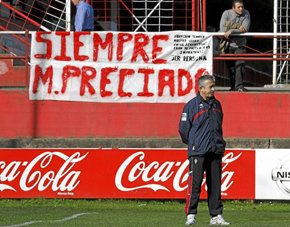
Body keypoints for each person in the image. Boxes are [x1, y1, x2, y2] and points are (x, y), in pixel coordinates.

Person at [179, 75, 230, 226]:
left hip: (215, 151)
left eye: (213, 86)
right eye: (210, 87)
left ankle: (216, 216)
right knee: (195, 185)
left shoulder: (217, 105)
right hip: (198, 152)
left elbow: (219, 126)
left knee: (215, 185)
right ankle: (191, 215)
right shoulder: (191, 106)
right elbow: (183, 130)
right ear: (201, 89)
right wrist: (194, 144)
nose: (213, 89)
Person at [219, 0, 251, 92]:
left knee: (240, 65)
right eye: (239, 7)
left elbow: (245, 29)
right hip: (228, 44)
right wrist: (237, 27)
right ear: (233, 8)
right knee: (230, 67)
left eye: (242, 7)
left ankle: (239, 86)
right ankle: (233, 87)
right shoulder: (226, 13)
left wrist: (231, 31)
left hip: (241, 44)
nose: (241, 9)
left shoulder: (246, 13)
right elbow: (223, 28)